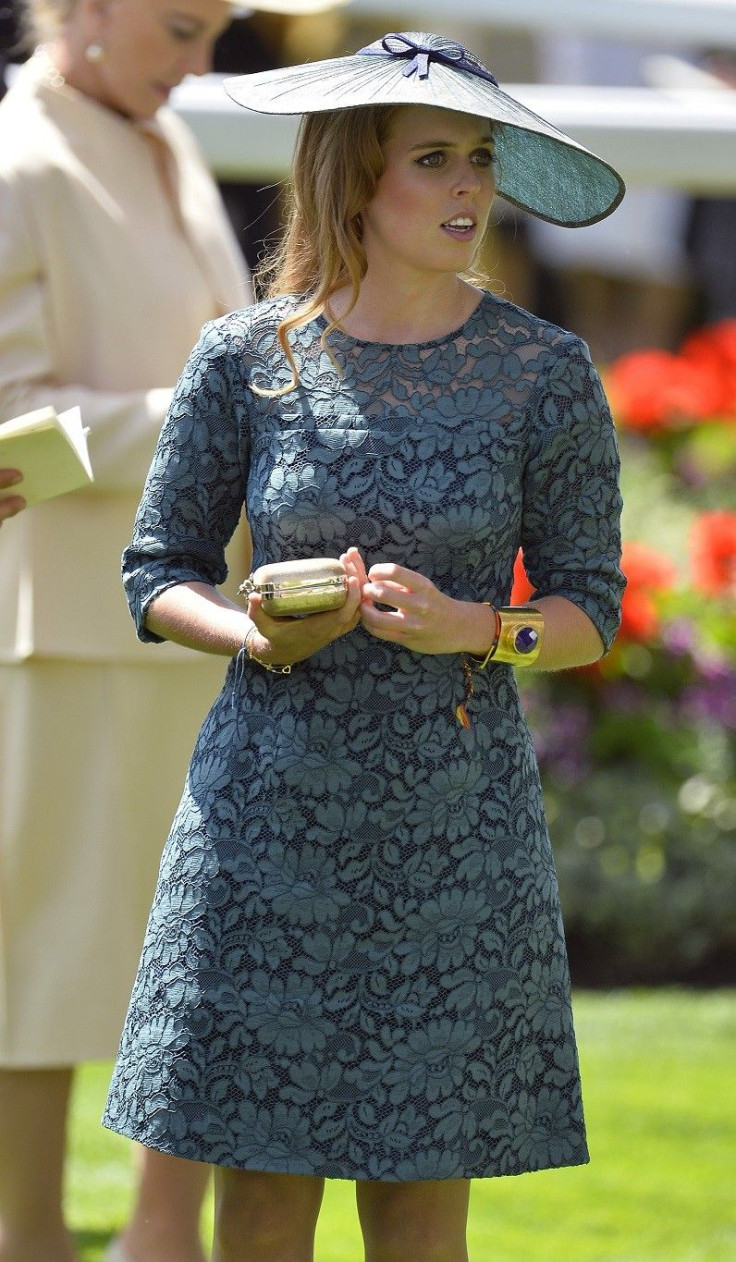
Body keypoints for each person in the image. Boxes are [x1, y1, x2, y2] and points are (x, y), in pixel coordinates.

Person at [103, 31, 627, 1262]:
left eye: (478, 162)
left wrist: (470, 625)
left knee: (418, 1219)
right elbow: (155, 570)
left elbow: (588, 608)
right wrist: (251, 629)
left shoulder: (542, 373)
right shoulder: (245, 359)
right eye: (432, 160)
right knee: (264, 1211)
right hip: (263, 825)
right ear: (353, 180)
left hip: (453, 833)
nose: (466, 189)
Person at [0, 1, 252, 1259]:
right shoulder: (16, 160)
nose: (198, 64)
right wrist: (221, 411)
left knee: (199, 942)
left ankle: (162, 1235)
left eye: (214, 32)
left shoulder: (164, 134)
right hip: (66, 618)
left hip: (199, 613)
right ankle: (26, 1233)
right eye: (180, 29)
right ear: (87, 10)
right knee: (39, 952)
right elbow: (8, 433)